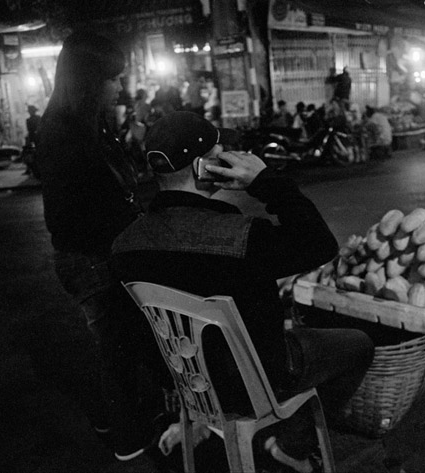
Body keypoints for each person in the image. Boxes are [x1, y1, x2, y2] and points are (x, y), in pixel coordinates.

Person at [111, 111, 374, 473]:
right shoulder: (242, 236)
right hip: (260, 384)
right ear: (203, 166)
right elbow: (321, 244)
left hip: (192, 384)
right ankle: (293, 449)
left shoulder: (124, 246)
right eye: (221, 151)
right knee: (359, 344)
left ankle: (210, 421)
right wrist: (264, 180)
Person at [35, 30, 170, 471]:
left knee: (126, 341)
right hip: (90, 258)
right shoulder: (63, 133)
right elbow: (74, 214)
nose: (120, 86)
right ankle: (127, 437)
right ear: (90, 79)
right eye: (113, 78)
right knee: (117, 346)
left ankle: (120, 420)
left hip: (106, 251)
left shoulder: (91, 124)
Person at [22, 105, 41, 176]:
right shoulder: (37, 118)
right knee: (29, 152)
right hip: (35, 136)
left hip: (35, 136)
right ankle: (30, 168)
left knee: (30, 152)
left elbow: (31, 129)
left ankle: (30, 169)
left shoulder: (31, 120)